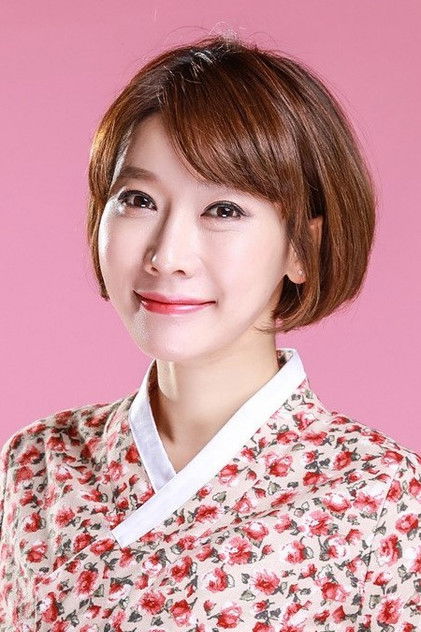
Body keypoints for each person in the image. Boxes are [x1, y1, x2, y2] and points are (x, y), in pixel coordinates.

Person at [0, 33, 420, 632]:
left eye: (223, 210)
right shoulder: (37, 463)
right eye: (138, 199)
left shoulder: (386, 498)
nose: (167, 255)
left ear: (302, 247)